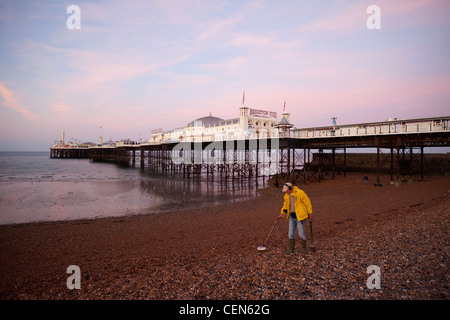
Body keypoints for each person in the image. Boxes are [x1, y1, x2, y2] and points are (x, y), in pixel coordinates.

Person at [278, 182, 312, 254]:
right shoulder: (287, 195)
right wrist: (282, 214)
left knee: (301, 233)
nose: (285, 192)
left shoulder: (300, 193)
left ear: (290, 188)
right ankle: (291, 249)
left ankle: (303, 248)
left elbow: (307, 203)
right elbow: (286, 205)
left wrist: (310, 214)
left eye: (286, 190)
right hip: (291, 217)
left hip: (300, 216)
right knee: (290, 233)